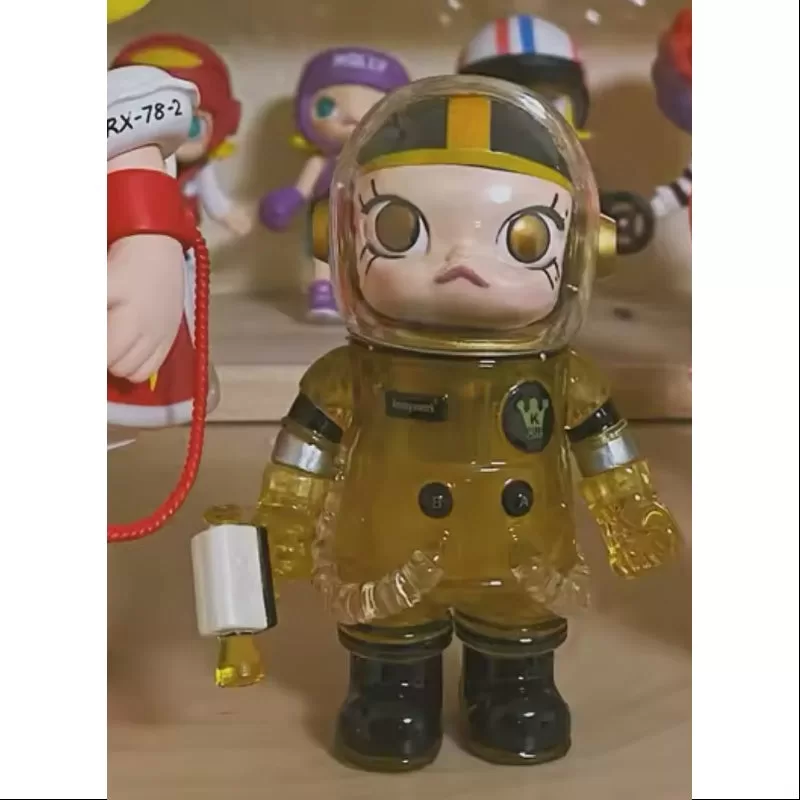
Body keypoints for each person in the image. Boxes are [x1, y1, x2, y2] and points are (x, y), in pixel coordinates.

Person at [191, 76, 682, 771]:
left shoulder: (564, 376)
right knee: (390, 631)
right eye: (402, 231)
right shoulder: (353, 373)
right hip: (388, 548)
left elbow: (608, 451)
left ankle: (513, 688)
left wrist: (631, 511)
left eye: (523, 238)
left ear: (582, 247)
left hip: (520, 555)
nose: (462, 264)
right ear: (338, 236)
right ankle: (390, 693)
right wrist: (286, 518)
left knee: (518, 627)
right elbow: (305, 453)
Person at [258, 47, 410, 321]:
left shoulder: (374, 162)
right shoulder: (320, 160)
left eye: (374, 109)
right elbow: (302, 189)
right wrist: (289, 200)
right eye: (328, 107)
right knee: (323, 249)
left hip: (364, 213)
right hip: (324, 210)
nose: (352, 118)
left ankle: (366, 294)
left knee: (365, 251)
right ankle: (322, 290)